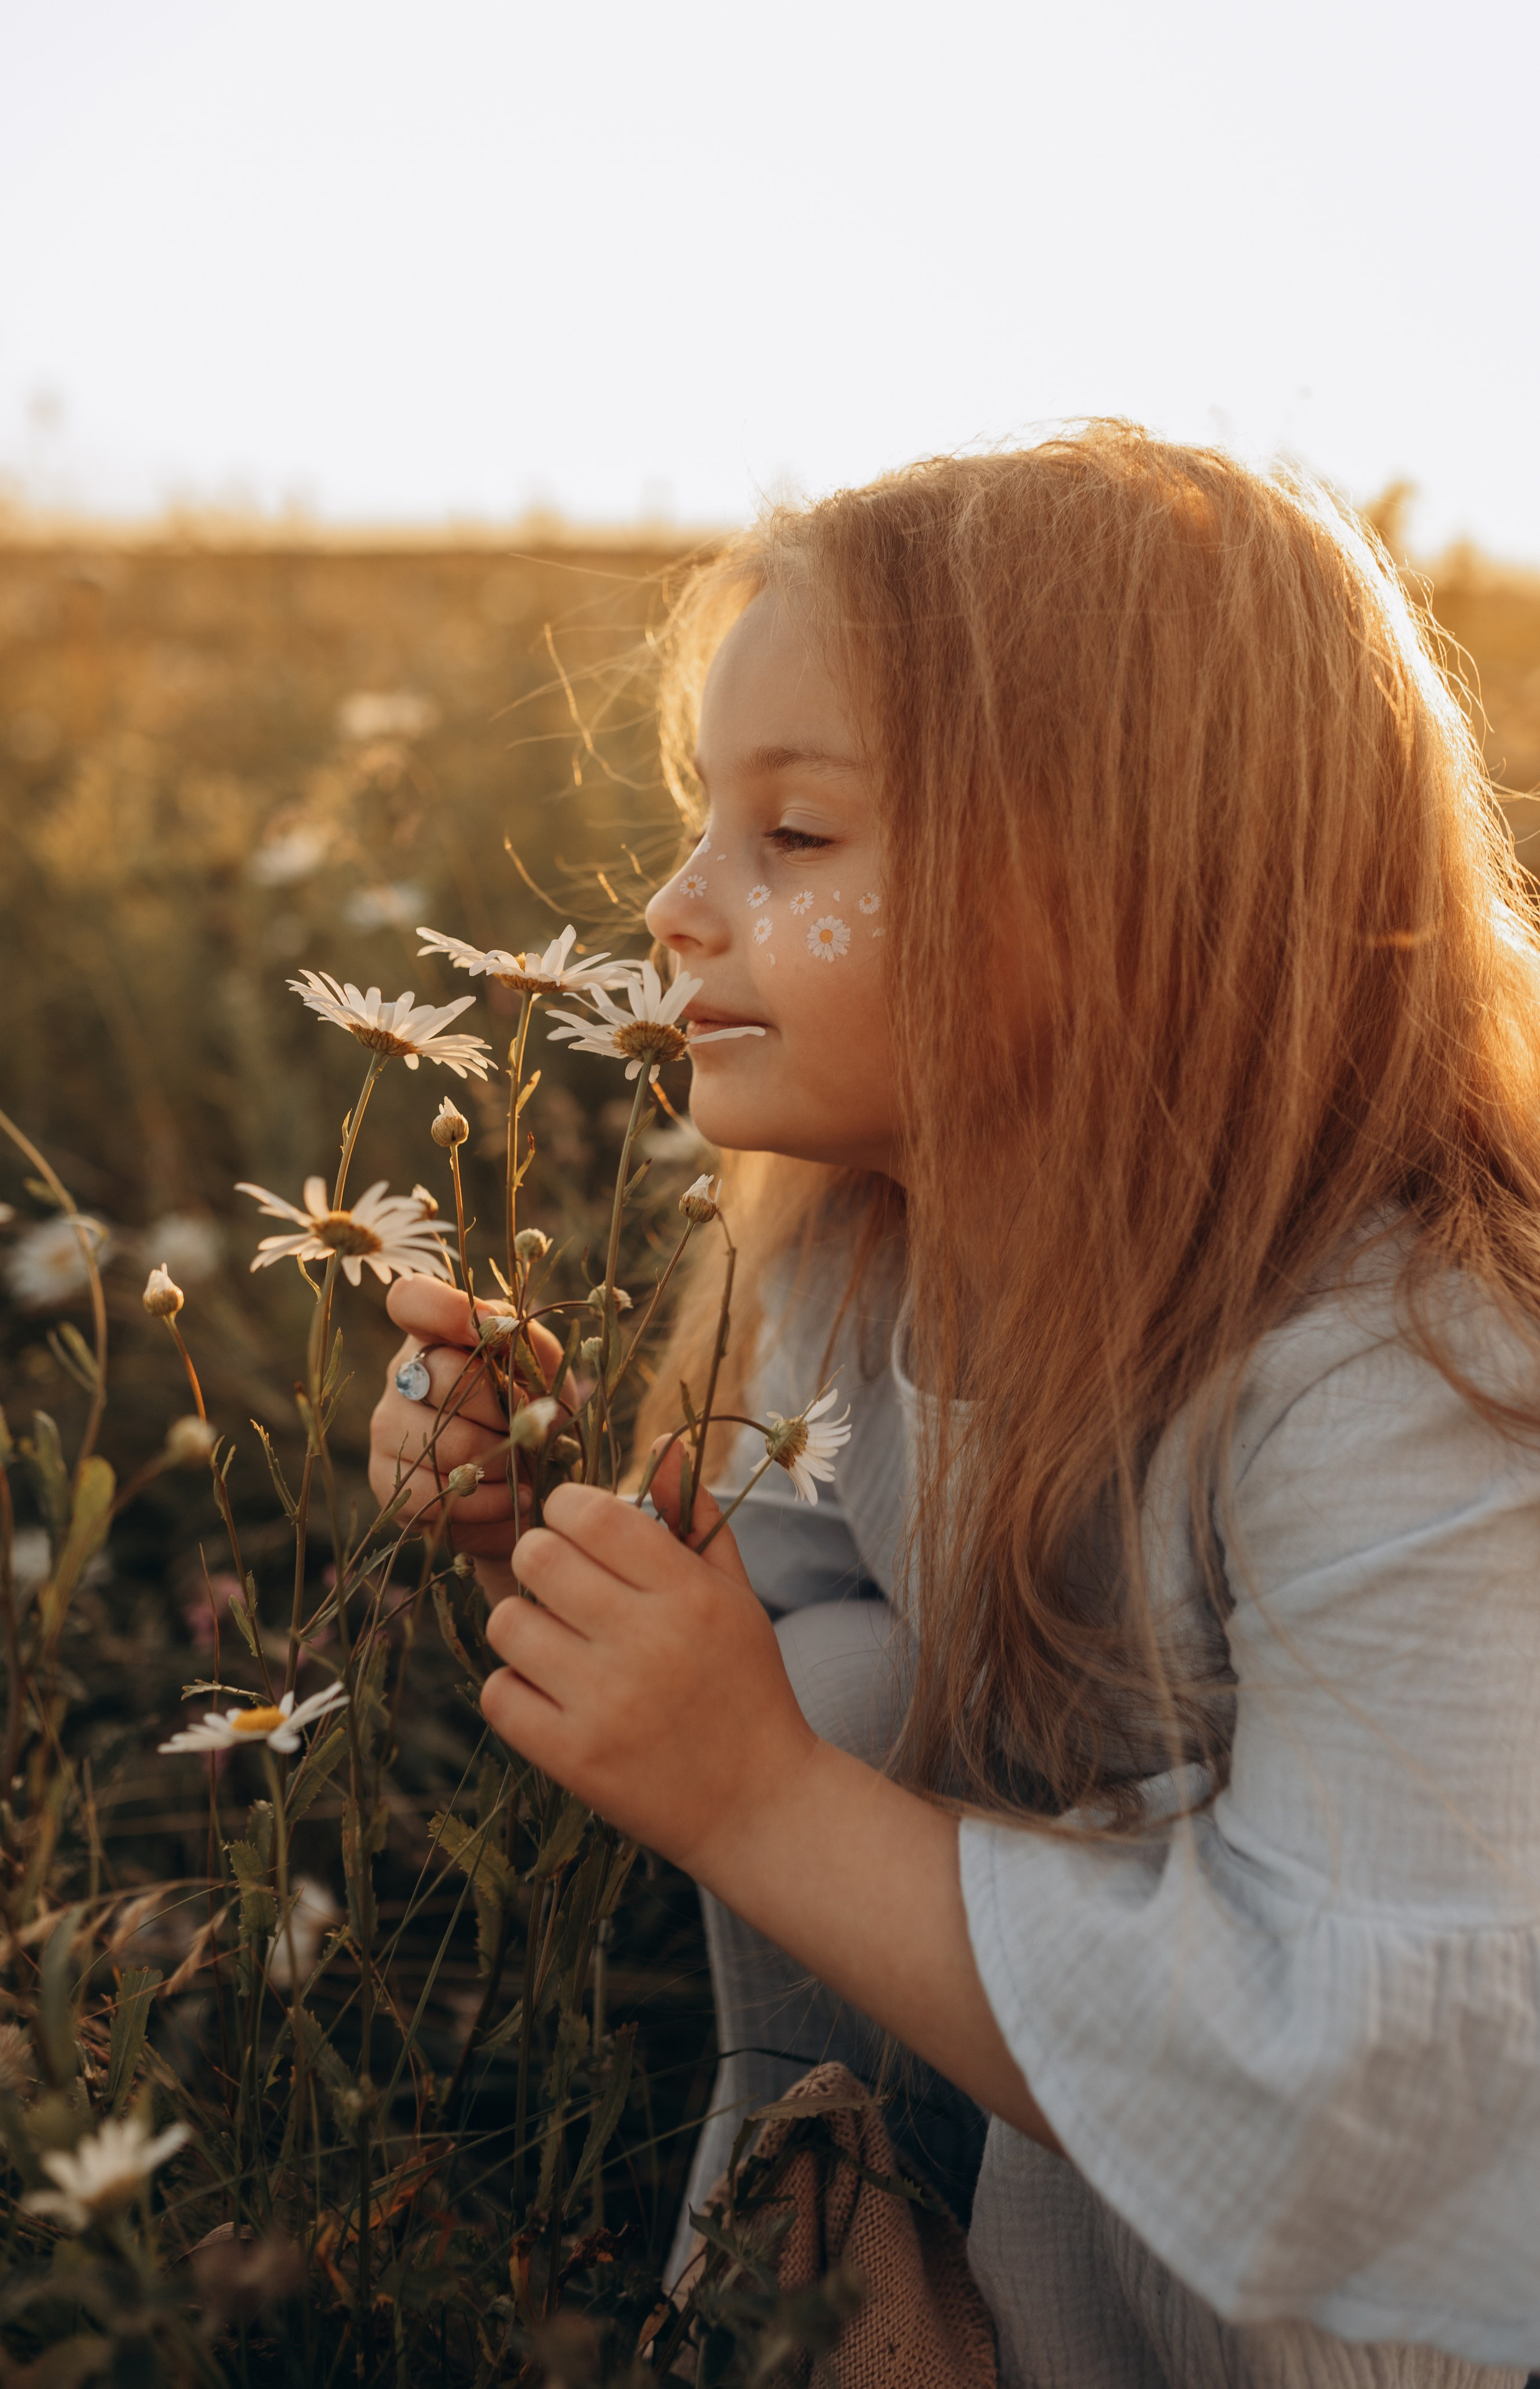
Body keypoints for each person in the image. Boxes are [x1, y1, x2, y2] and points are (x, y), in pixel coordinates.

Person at [368, 427, 1540, 2387]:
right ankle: (859, 2283)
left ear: (1121, 889)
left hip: (1390, 2274)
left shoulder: (1411, 1366)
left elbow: (1394, 2089)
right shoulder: (869, 1251)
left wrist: (758, 1796)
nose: (674, 905)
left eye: (795, 840)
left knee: (813, 1732)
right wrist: (554, 1525)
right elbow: (798, 1621)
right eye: (702, 822)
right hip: (1100, 2182)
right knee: (827, 1670)